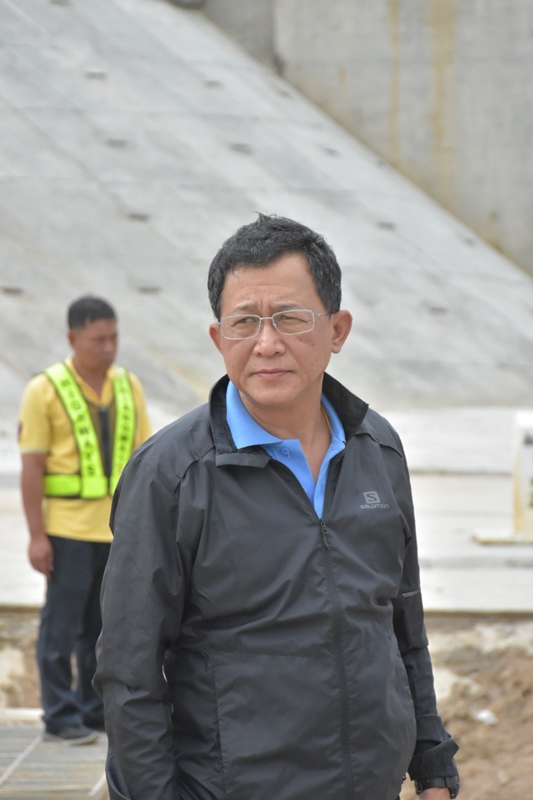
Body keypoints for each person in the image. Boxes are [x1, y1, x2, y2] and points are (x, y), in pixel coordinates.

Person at [94, 216, 460, 799]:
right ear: (218, 338)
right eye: (244, 322)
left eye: (290, 318)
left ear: (337, 329)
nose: (266, 344)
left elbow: (401, 624)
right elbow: (129, 675)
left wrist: (433, 766)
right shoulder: (172, 475)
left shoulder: (377, 449)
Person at [18, 295, 151, 745]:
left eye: (113, 338)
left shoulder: (129, 386)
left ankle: (93, 710)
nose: (108, 348)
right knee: (60, 626)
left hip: (115, 531)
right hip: (66, 531)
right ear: (73, 339)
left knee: (103, 628)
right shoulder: (44, 390)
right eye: (98, 340)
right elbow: (32, 468)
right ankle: (59, 715)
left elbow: (145, 460)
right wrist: (36, 536)